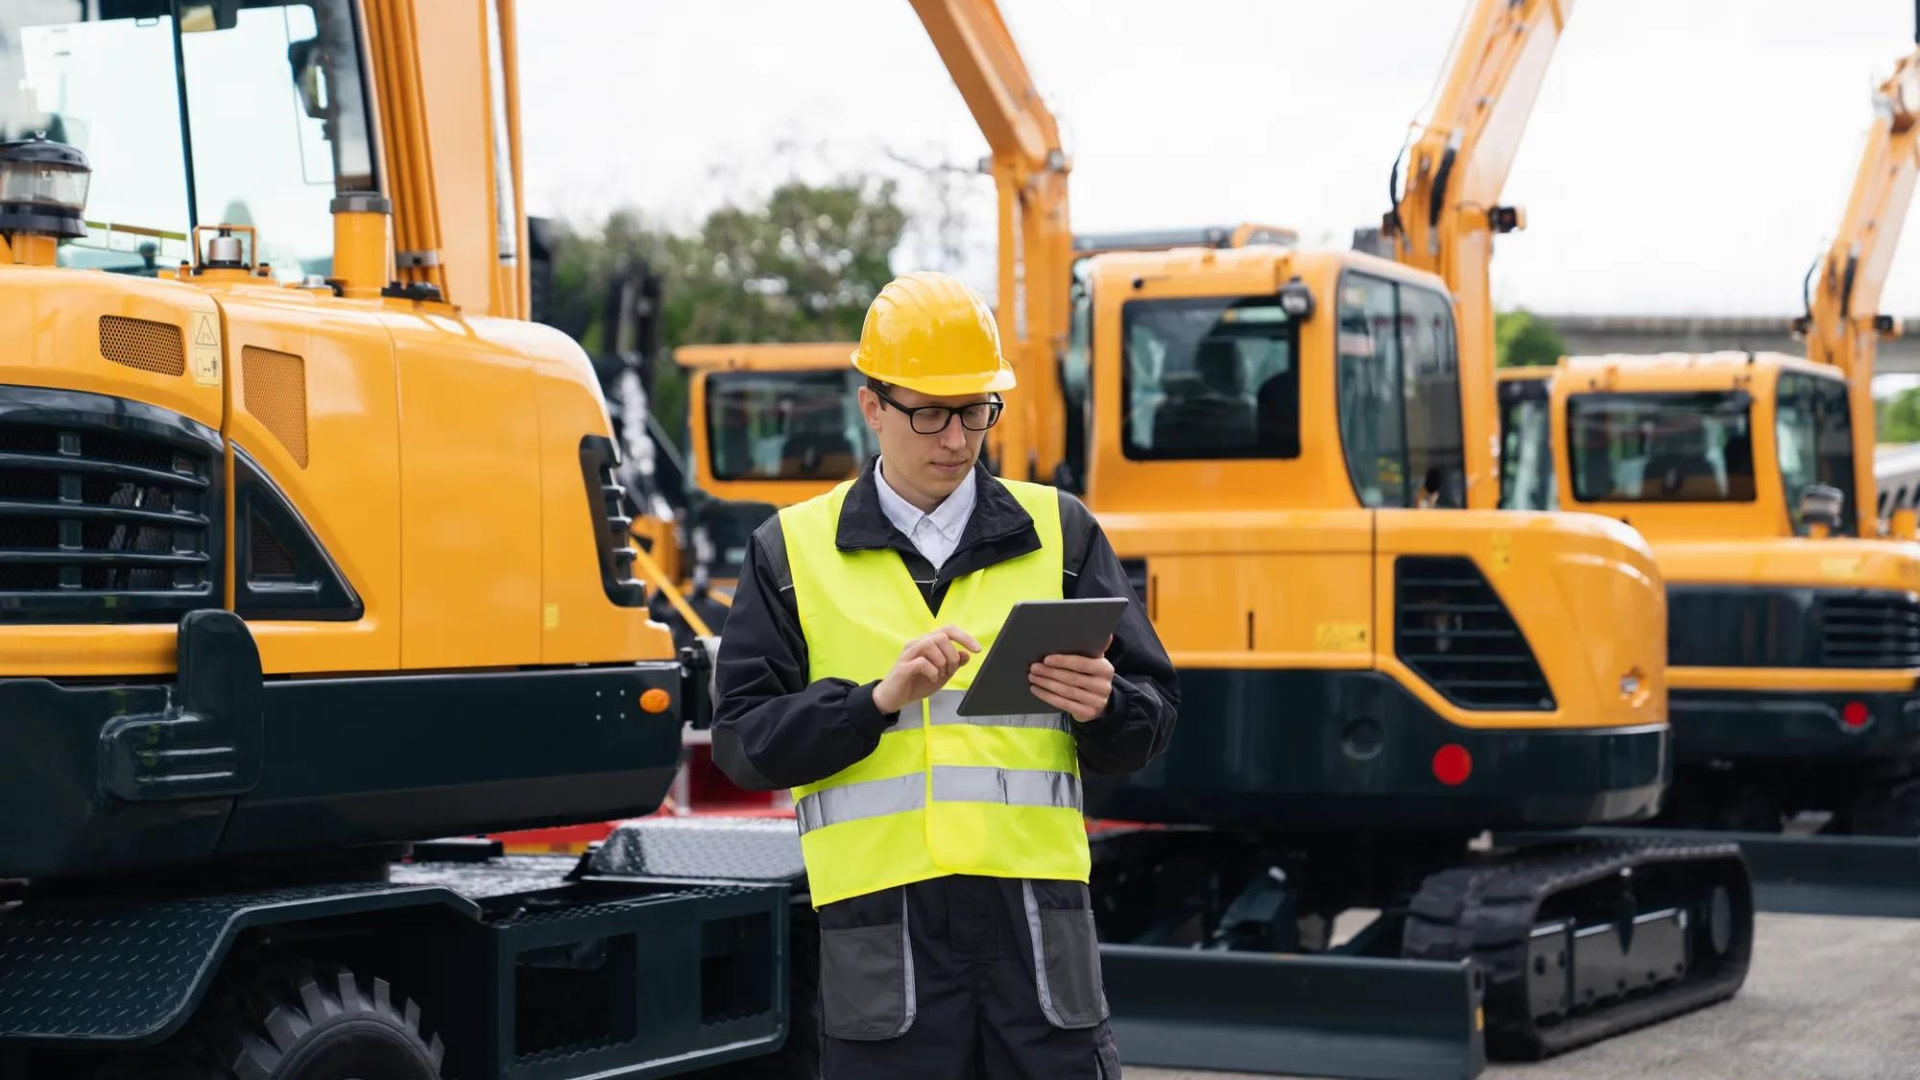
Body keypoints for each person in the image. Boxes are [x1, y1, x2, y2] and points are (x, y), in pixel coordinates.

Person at [710, 270, 1179, 1079]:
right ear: (872, 407)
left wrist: (1106, 707)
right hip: (882, 931)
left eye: (974, 412)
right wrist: (874, 704)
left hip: (1035, 924)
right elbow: (744, 744)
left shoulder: (1061, 532)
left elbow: (1152, 716)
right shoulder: (790, 552)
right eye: (928, 413)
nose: (955, 440)